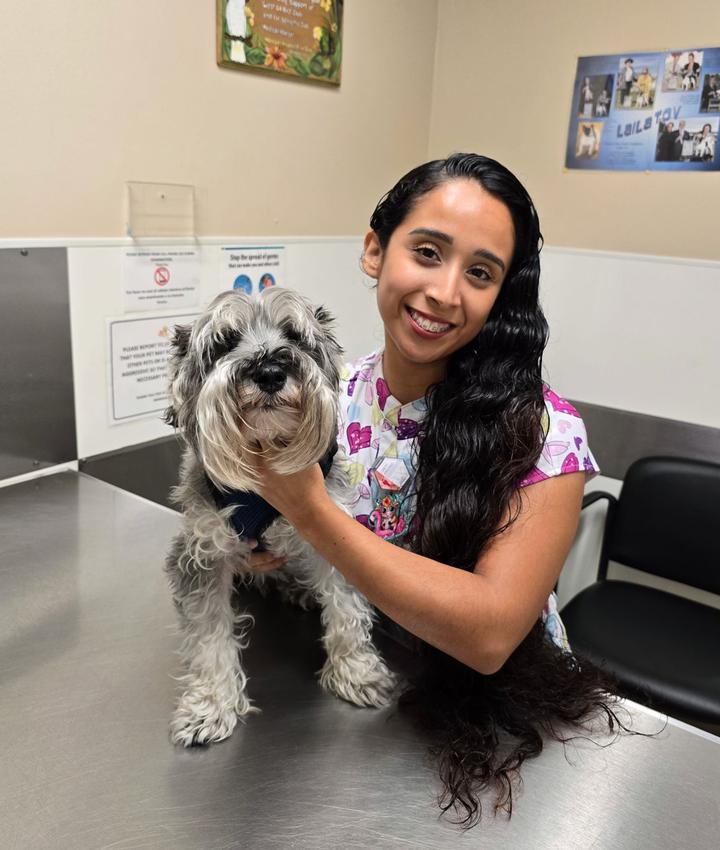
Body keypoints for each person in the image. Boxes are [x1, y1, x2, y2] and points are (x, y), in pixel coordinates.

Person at [248, 154, 623, 825]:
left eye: (479, 273)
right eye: (427, 252)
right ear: (374, 249)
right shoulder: (326, 397)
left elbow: (489, 635)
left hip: (506, 723)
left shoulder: (544, 433)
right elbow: (294, 537)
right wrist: (262, 545)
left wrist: (305, 511)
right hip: (362, 693)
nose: (446, 293)